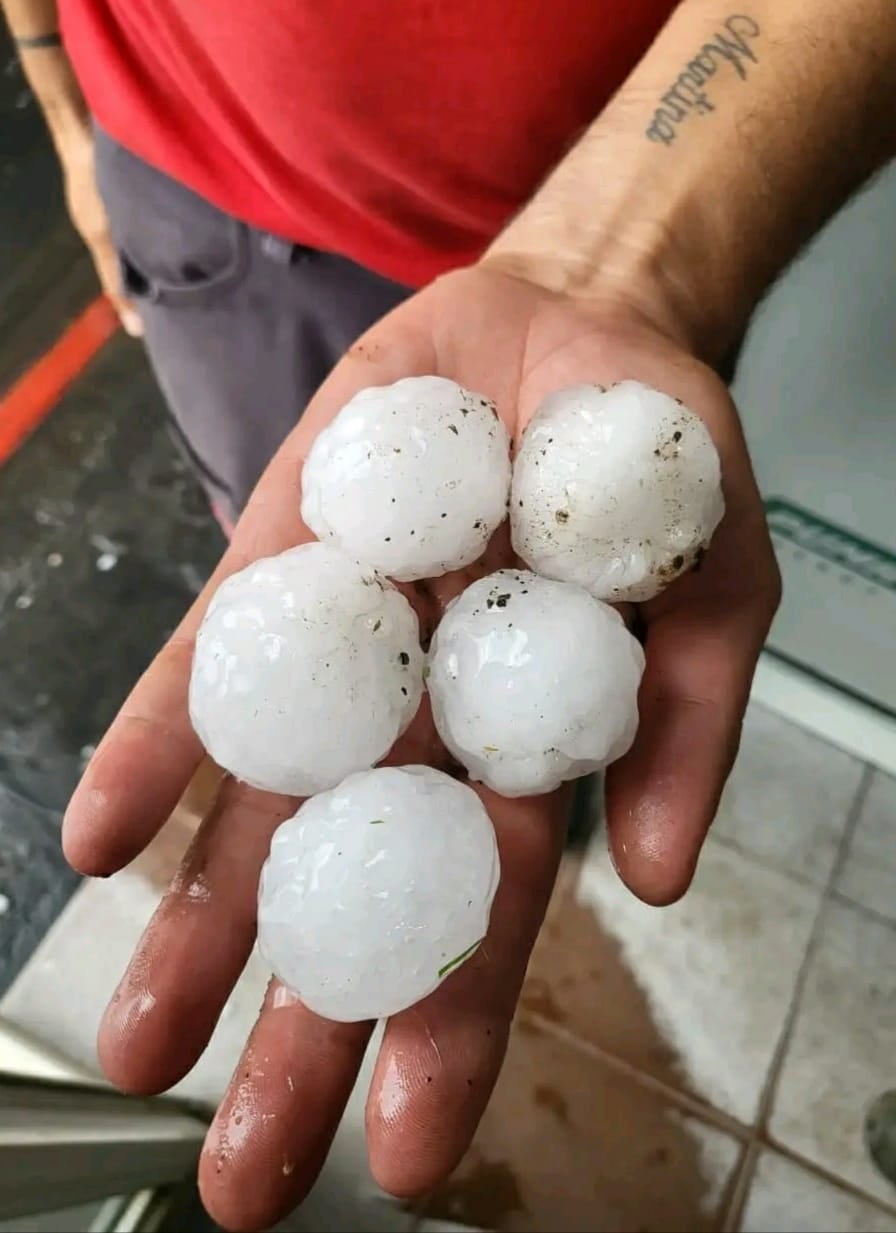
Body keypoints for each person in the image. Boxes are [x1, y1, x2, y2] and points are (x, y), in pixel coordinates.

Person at [4, 1, 894, 1228]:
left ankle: (559, 813)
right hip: (191, 168)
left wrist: (636, 247)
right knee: (248, 490)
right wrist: (59, 95)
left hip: (621, 188)